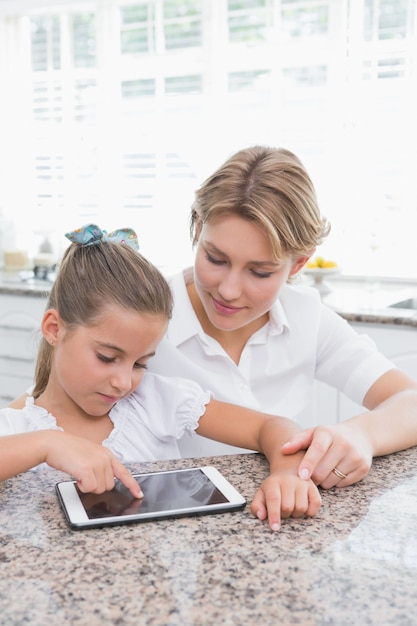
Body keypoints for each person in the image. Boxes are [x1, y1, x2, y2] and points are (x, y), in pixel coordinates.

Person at [0, 224, 322, 532]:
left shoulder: (156, 401)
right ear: (54, 329)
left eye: (140, 364)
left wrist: (289, 473)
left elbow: (273, 427)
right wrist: (48, 444)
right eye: (107, 358)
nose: (124, 382)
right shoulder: (17, 430)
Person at [144, 145, 417, 487]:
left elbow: (410, 402)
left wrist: (361, 434)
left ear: (299, 263)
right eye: (216, 259)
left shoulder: (306, 317)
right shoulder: (145, 315)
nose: (228, 290)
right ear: (198, 227)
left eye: (259, 272)